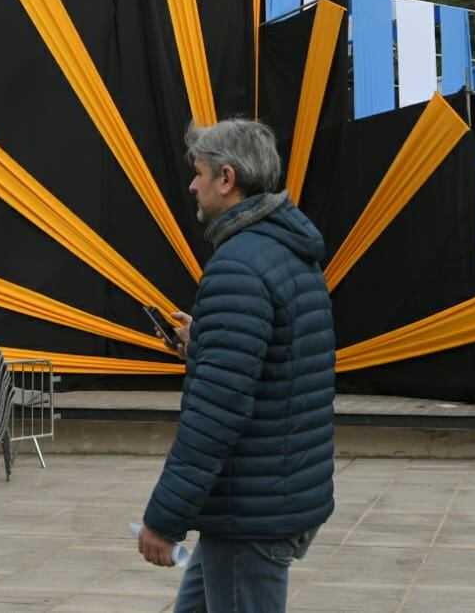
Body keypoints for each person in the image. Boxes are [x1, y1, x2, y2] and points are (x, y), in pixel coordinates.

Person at [135, 118, 335, 612]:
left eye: (199, 172)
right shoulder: (288, 252)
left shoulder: (237, 266)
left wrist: (164, 519)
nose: (192, 184)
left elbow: (216, 412)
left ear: (227, 179)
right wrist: (201, 342)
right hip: (269, 495)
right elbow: (277, 361)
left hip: (251, 511)